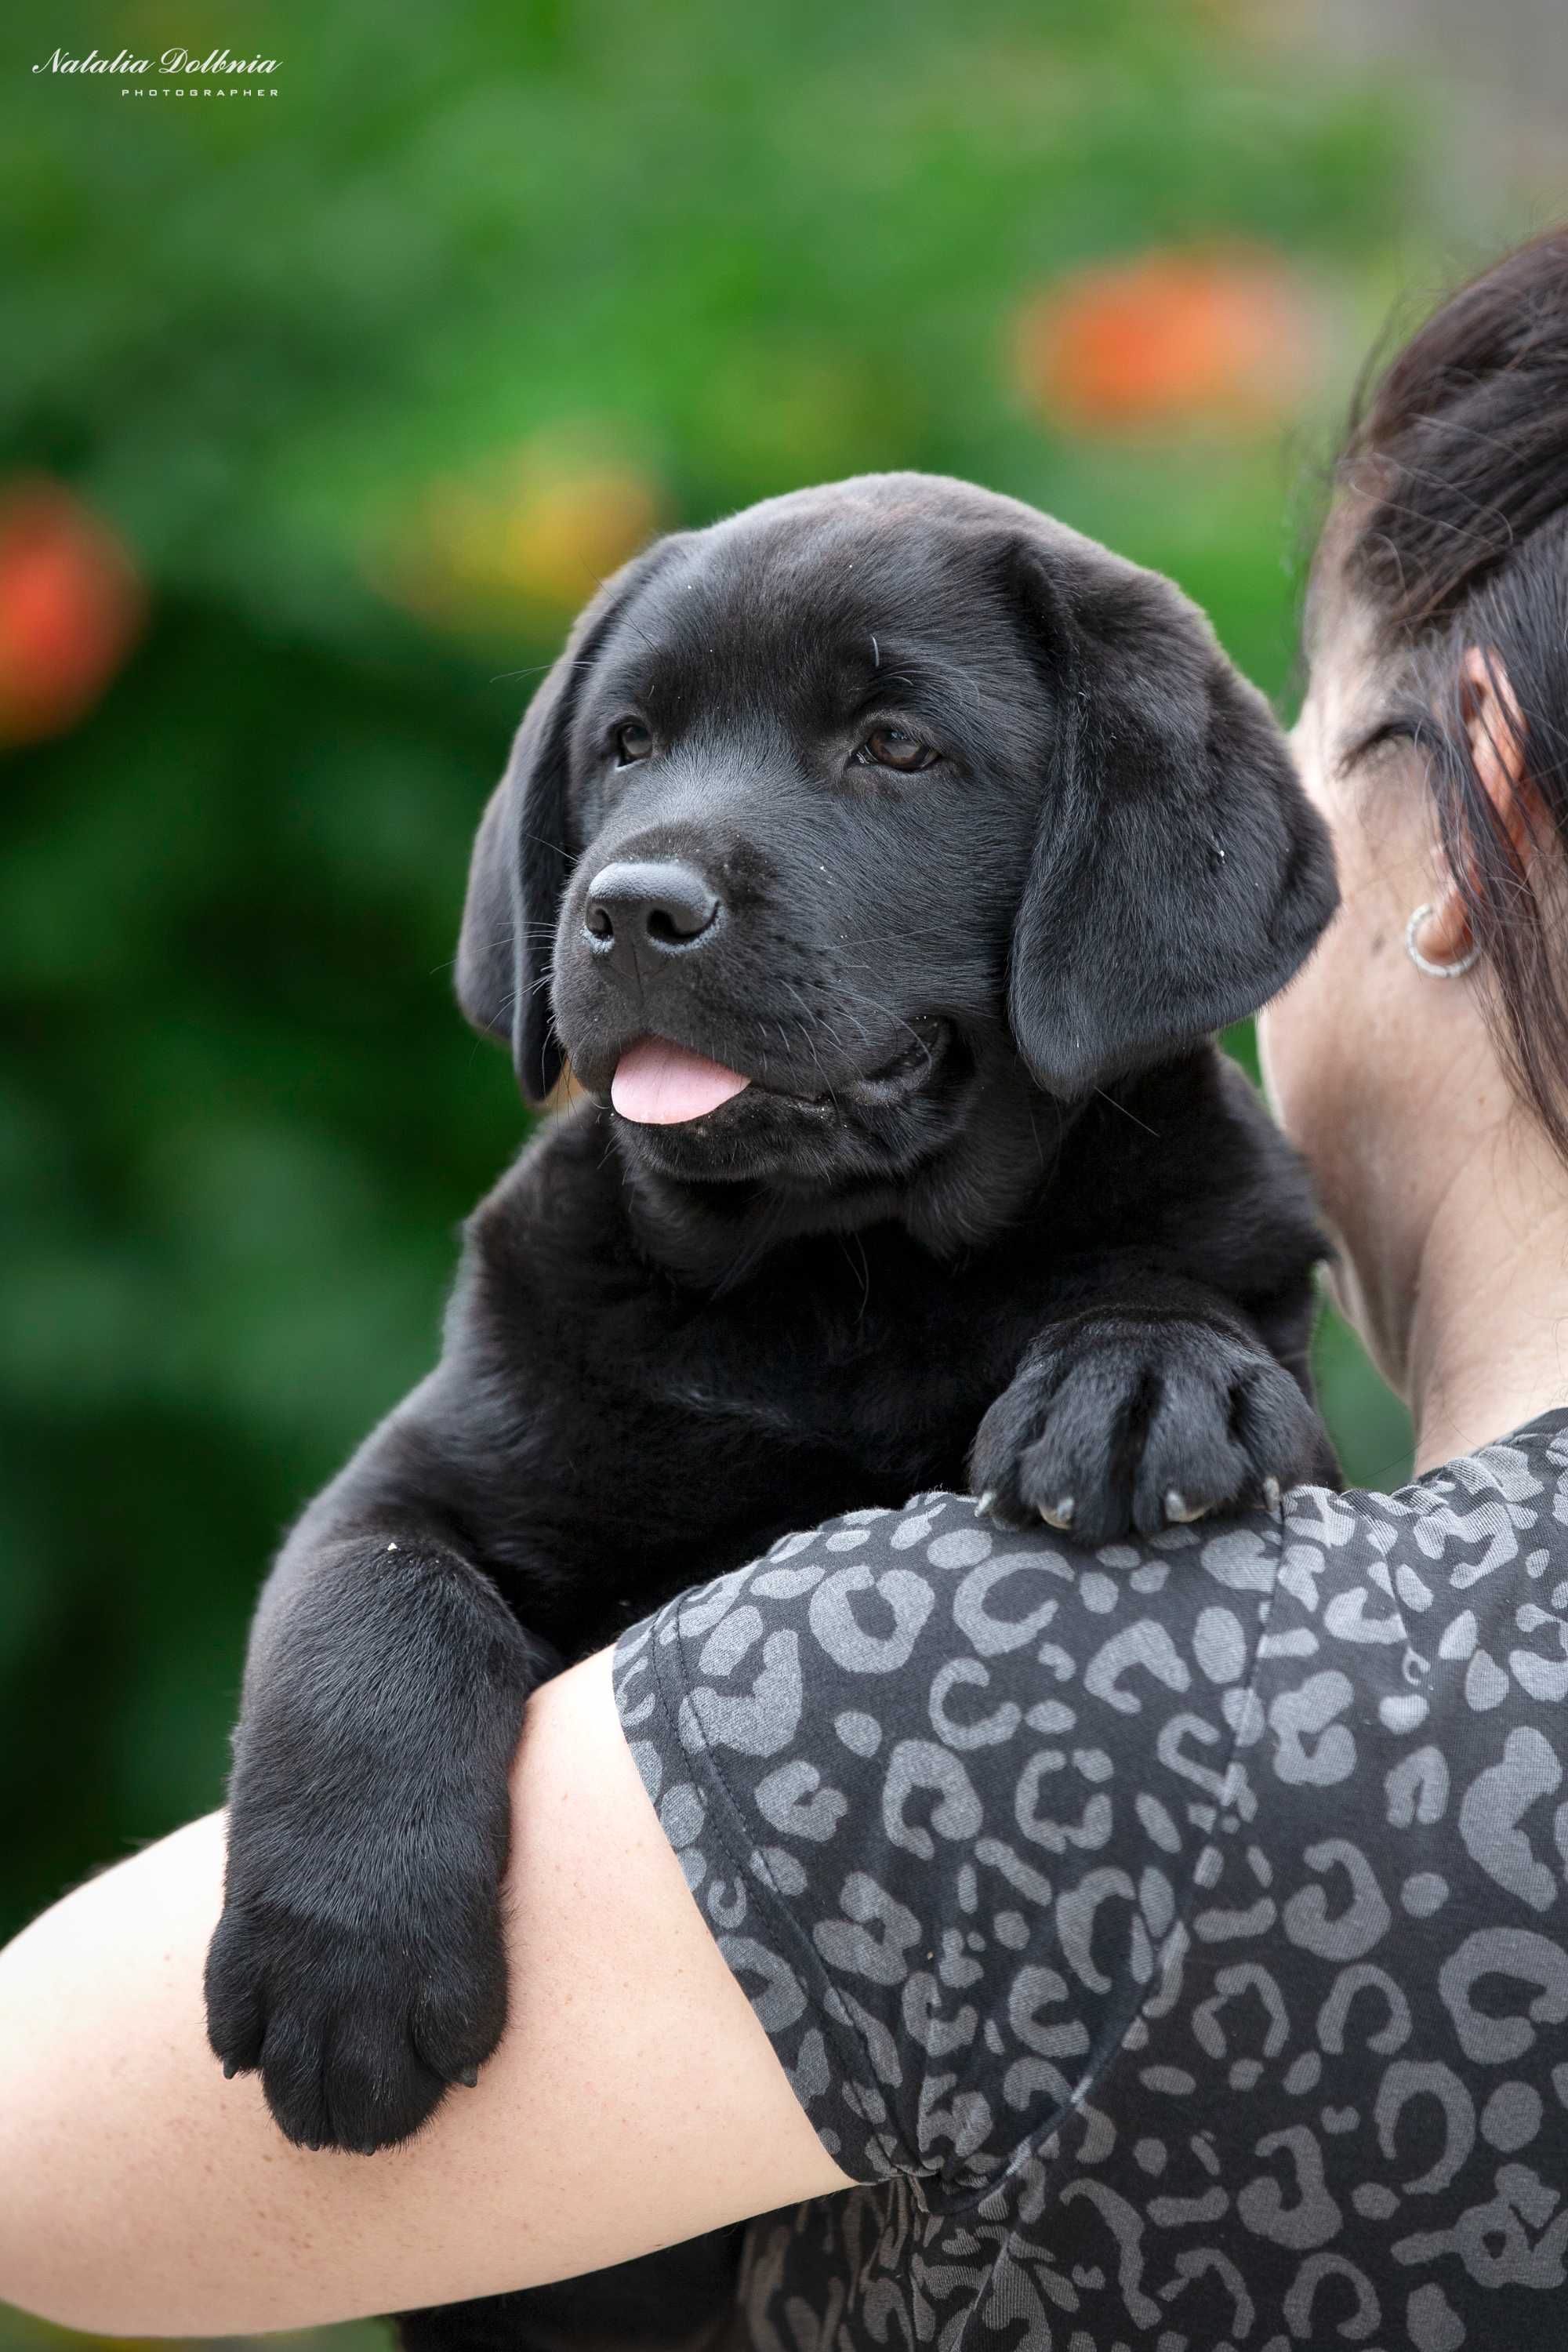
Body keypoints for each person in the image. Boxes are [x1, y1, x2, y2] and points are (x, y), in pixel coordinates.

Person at [5, 227, 1568, 2350]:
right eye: (630, 753)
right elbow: (417, 1541)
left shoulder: (1066, 1552)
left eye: (891, 749)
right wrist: (356, 1822)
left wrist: (1171, 1352)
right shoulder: (574, 1281)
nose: (660, 853)